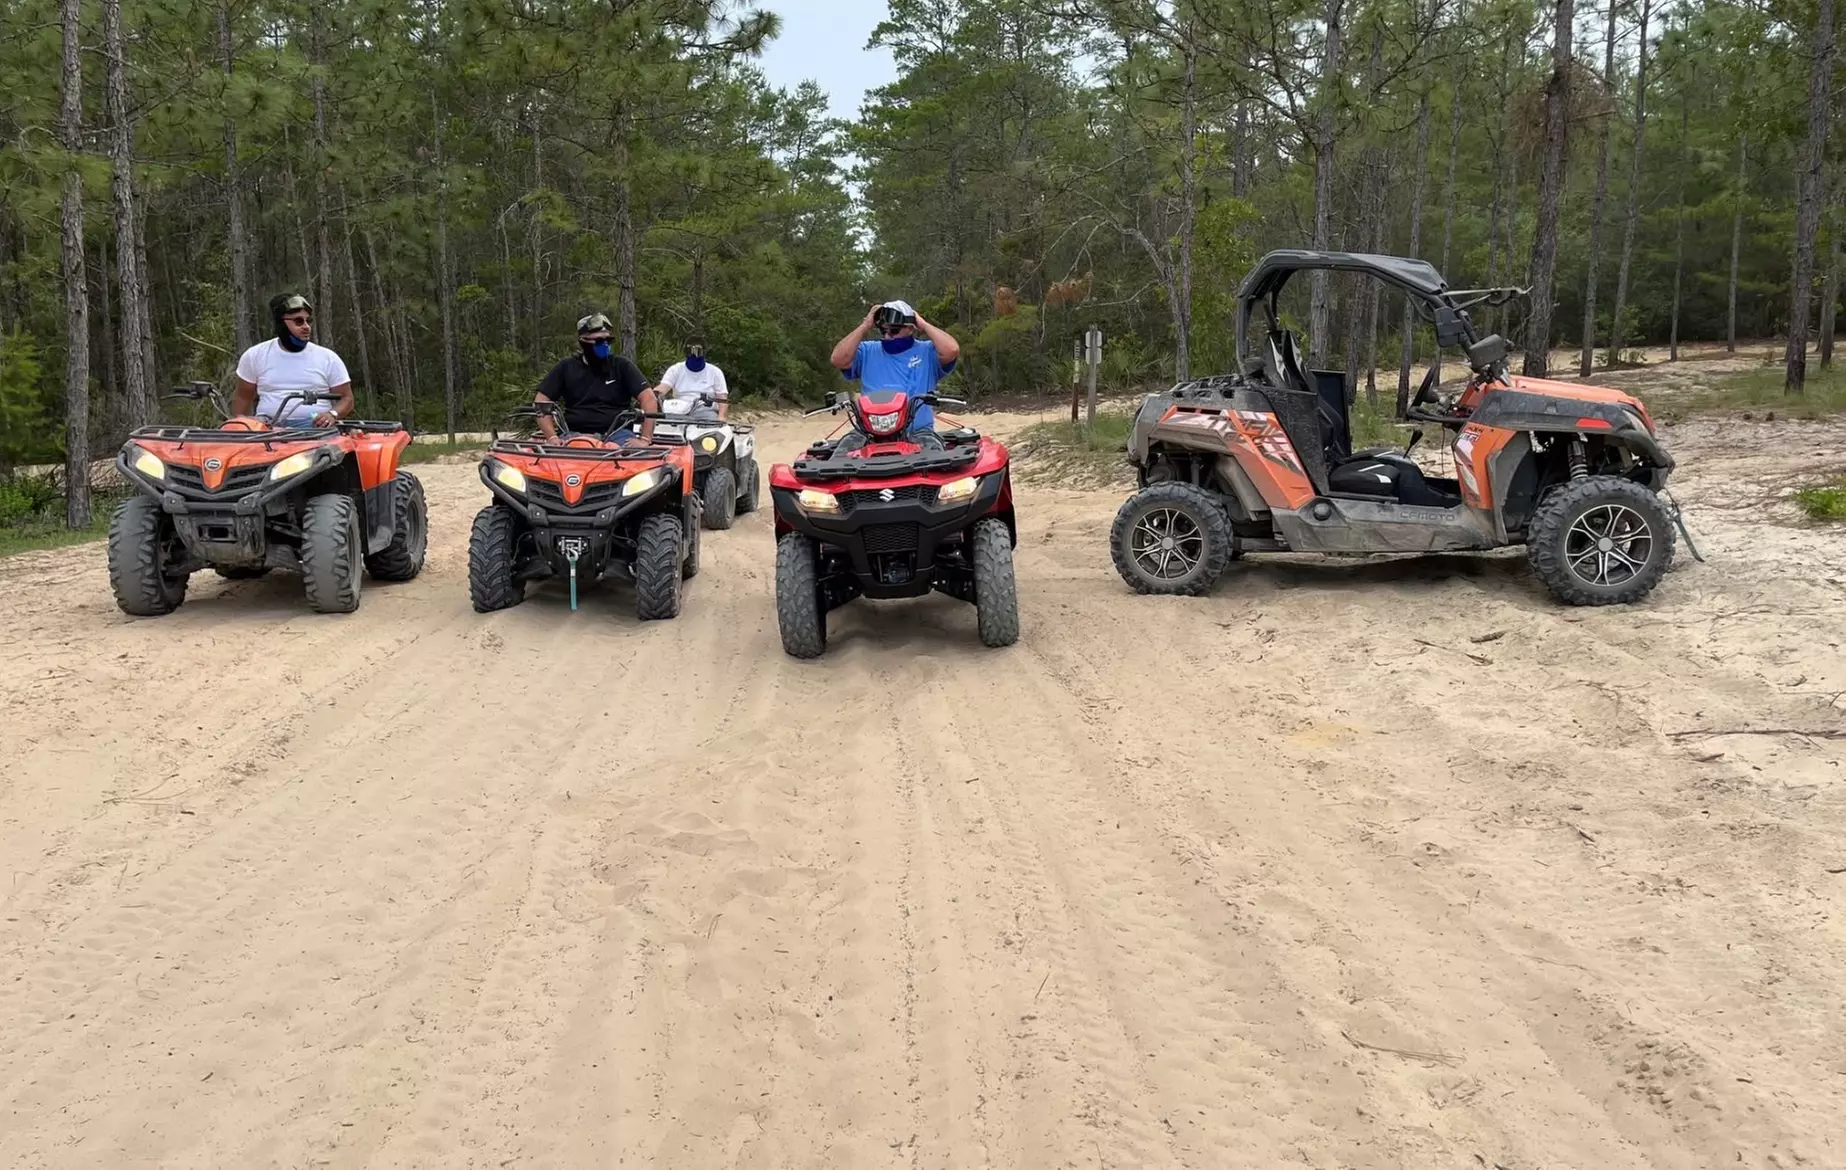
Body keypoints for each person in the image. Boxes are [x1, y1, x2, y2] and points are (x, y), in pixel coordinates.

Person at [829, 300, 960, 443]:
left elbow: (952, 350)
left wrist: (923, 324)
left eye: (894, 330)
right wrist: (865, 326)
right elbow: (838, 359)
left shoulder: (928, 351)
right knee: (843, 451)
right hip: (867, 432)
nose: (887, 336)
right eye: (883, 331)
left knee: (934, 454)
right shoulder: (866, 351)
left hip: (918, 432)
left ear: (910, 328)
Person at [231, 293, 354, 427]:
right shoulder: (255, 355)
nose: (306, 326)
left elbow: (347, 398)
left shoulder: (328, 358)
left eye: (308, 321)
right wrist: (242, 428)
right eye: (299, 321)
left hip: (315, 428)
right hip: (268, 428)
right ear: (281, 324)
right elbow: (243, 398)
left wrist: (332, 415)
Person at [535, 313, 657, 442]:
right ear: (583, 341)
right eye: (598, 341)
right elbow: (541, 400)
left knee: (623, 452)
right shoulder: (566, 367)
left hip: (617, 435)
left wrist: (645, 439)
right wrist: (552, 437)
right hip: (574, 434)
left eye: (608, 340)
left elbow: (648, 398)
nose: (604, 345)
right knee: (571, 451)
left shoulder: (622, 365)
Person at [655, 338, 728, 420]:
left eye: (698, 352)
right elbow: (663, 387)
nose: (694, 356)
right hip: (678, 409)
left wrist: (721, 416)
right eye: (691, 353)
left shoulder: (715, 372)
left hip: (705, 410)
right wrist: (652, 395)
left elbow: (722, 398)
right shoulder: (675, 369)